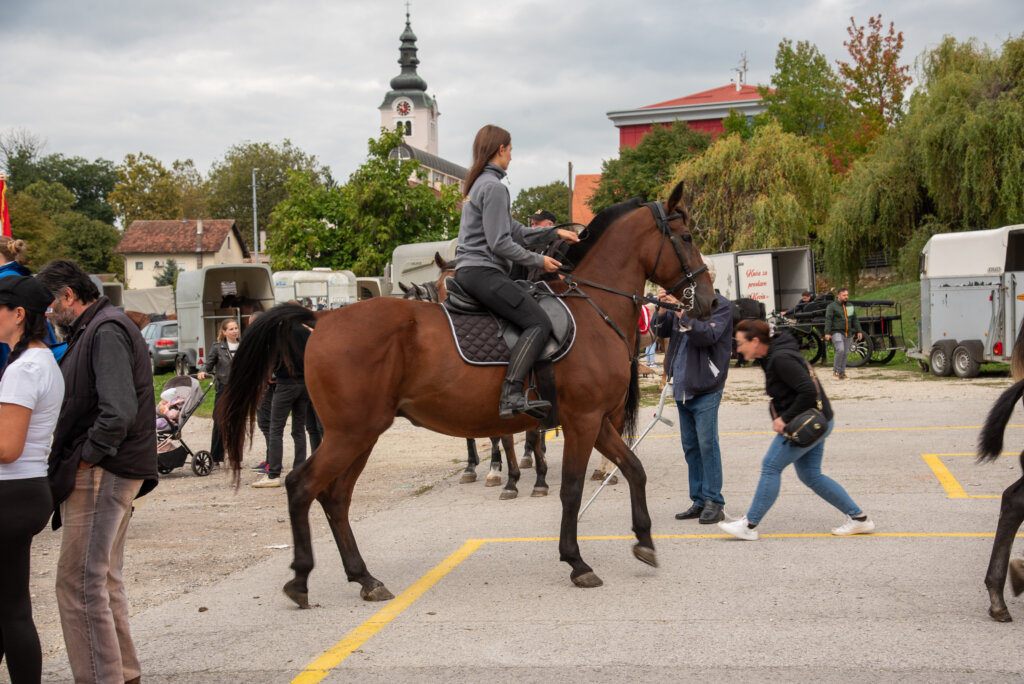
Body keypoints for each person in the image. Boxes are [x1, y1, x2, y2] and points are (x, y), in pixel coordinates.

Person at [37, 259, 158, 684]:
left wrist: (89, 456)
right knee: (102, 582)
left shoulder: (104, 330)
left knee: (79, 587)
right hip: (111, 468)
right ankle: (122, 673)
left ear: (68, 296)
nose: (48, 315)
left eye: (50, 306)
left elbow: (118, 410)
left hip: (103, 470)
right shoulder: (101, 326)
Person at [454, 125, 579, 419]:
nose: (512, 155)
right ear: (500, 149)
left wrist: (556, 233)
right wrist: (540, 262)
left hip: (470, 271)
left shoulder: (479, 185)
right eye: (510, 149)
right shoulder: (495, 187)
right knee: (538, 321)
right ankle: (511, 393)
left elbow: (517, 231)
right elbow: (500, 243)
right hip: (484, 272)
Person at [719, 319, 875, 540]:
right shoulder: (769, 354)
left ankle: (749, 525)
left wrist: (784, 418)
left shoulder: (781, 358)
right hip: (819, 419)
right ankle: (859, 519)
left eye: (740, 343)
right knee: (811, 475)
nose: (738, 348)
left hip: (808, 422)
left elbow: (808, 391)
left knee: (771, 466)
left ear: (755, 341)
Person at [0, 276, 65, 684]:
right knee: (9, 607)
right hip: (25, 491)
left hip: (11, 492)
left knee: (13, 610)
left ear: (19, 315)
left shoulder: (24, 369)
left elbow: (7, 447)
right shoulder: (41, 361)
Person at [654, 259, 733, 525]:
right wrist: (663, 308)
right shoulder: (686, 306)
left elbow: (707, 337)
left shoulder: (720, 306)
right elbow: (660, 330)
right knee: (690, 447)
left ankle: (714, 501)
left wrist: (682, 313)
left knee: (707, 445)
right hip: (682, 385)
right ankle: (699, 500)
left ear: (708, 279)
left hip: (706, 387)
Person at [252, 312, 313, 488]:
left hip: (285, 383)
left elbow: (272, 357)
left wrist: (270, 375)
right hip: (304, 384)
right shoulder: (306, 332)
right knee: (299, 428)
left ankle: (274, 474)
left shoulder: (279, 335)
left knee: (276, 429)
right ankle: (299, 469)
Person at [197, 318, 240, 466]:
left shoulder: (244, 345)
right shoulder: (218, 347)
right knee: (220, 422)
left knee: (236, 423)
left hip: (239, 389)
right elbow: (208, 363)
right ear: (224, 332)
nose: (235, 331)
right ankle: (216, 457)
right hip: (223, 387)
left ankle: (235, 457)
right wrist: (203, 371)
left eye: (236, 328)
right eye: (231, 329)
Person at [824, 287, 863, 380]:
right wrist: (827, 332)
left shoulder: (849, 306)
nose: (846, 297)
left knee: (845, 353)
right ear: (838, 296)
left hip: (848, 333)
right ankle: (835, 371)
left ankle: (842, 373)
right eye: (844, 295)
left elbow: (854, 319)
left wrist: (859, 331)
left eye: (847, 295)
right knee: (840, 350)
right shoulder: (832, 306)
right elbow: (828, 319)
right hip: (836, 332)